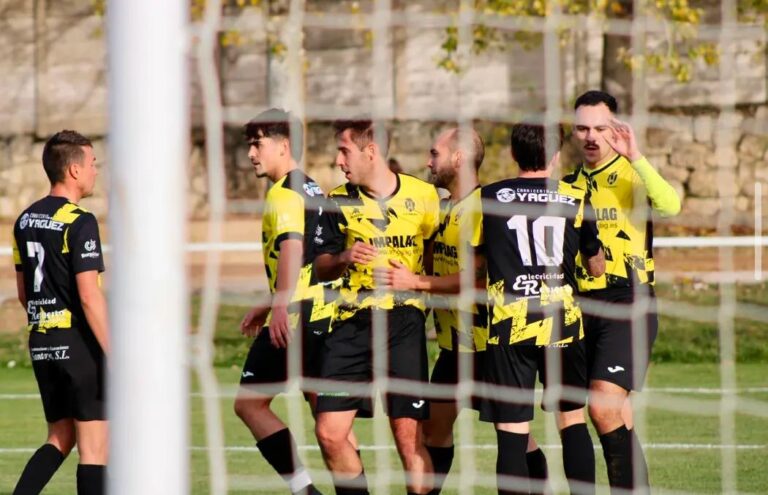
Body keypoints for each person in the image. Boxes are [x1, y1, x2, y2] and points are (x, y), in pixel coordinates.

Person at [379, 127, 552, 493]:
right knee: (435, 430)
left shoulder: (483, 208)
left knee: (514, 434)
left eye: (434, 153)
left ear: (458, 158)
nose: (428, 161)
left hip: (486, 344)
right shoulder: (445, 207)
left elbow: (478, 281)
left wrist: (416, 283)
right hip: (454, 346)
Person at [312, 119, 440, 495]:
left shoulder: (424, 196)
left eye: (344, 150)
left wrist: (419, 287)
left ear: (371, 152)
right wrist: (345, 257)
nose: (338, 160)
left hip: (403, 322)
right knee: (329, 433)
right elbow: (320, 267)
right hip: (351, 323)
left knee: (408, 436)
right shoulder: (335, 201)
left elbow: (433, 254)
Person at [479, 123, 605, 495]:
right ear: (554, 156)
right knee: (572, 420)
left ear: (513, 154)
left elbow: (476, 260)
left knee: (512, 432)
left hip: (509, 322)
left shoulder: (488, 196)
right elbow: (595, 265)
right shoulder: (576, 196)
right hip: (560, 322)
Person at [565, 90, 681, 493]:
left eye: (600, 127)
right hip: (581, 303)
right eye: (583, 127)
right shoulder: (569, 185)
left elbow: (670, 207)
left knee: (602, 406)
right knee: (611, 414)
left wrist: (637, 157)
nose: (591, 136)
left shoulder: (633, 173)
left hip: (628, 298)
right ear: (573, 131)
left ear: (614, 129)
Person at [234, 108, 353, 495]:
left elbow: (292, 249)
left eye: (257, 144)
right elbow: (311, 262)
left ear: (283, 145)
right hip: (324, 315)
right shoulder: (313, 187)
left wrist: (280, 307)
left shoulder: (284, 192)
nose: (251, 153)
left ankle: (304, 490)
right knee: (328, 420)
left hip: (297, 317)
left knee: (249, 405)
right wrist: (270, 303)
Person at [12, 130, 109, 495]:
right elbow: (89, 297)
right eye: (92, 164)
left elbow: (24, 293)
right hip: (78, 346)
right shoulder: (81, 221)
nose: (95, 171)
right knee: (95, 449)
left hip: (42, 343)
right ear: (73, 170)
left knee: (60, 436)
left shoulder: (23, 220)